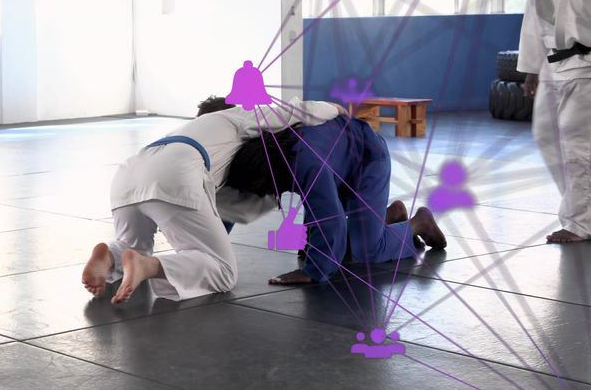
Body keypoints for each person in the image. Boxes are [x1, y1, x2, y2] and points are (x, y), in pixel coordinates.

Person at [81, 97, 342, 304]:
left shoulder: (188, 127)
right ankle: (148, 267)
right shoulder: (237, 116)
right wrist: (337, 108)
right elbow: (297, 111)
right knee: (222, 271)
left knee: (133, 246)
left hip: (127, 174)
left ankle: (110, 256)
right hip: (174, 173)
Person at [224, 116, 446, 285]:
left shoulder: (307, 163)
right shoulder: (277, 148)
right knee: (313, 248)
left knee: (366, 251)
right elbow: (238, 204)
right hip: (343, 160)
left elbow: (332, 219)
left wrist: (313, 271)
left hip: (369, 161)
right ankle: (389, 215)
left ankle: (418, 223)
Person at [517, 0, 591, 244]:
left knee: (577, 143)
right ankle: (583, 207)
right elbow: (534, 17)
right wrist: (532, 67)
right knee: (546, 135)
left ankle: (580, 222)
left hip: (586, 63)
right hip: (552, 63)